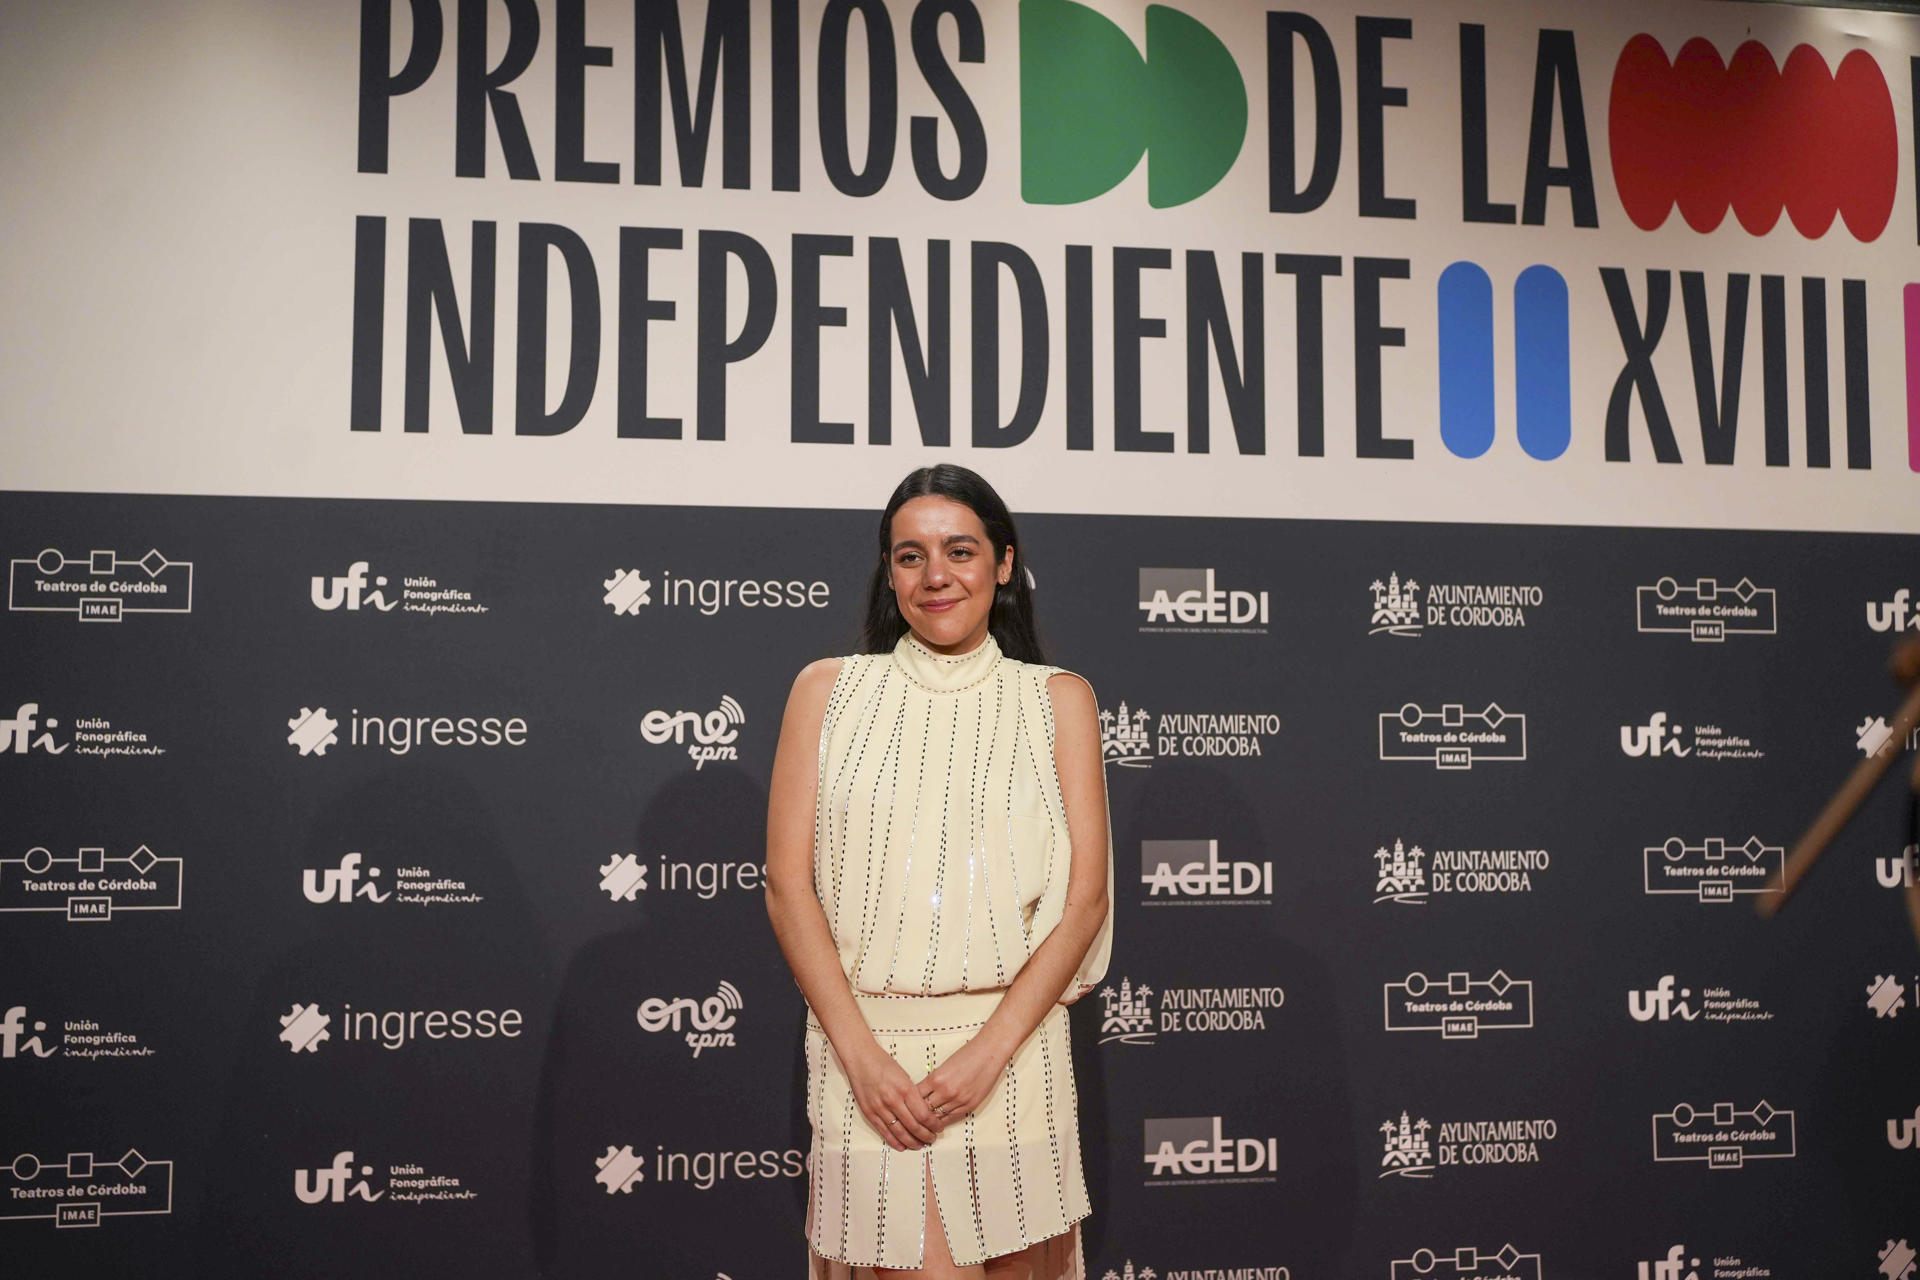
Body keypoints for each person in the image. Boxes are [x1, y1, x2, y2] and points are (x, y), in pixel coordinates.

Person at [766, 465, 1115, 1280]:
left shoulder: (1058, 699)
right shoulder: (826, 691)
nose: (936, 576)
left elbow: (1084, 900)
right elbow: (788, 888)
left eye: (959, 550)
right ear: (888, 573)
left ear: (1003, 562)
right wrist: (863, 1061)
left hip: (1015, 1056)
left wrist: (988, 1056)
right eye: (909, 556)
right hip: (870, 1066)